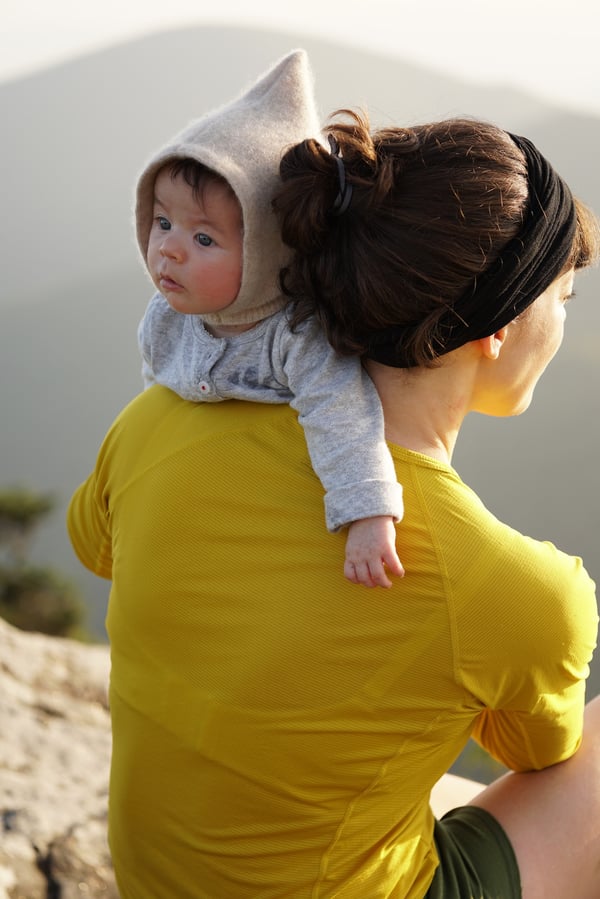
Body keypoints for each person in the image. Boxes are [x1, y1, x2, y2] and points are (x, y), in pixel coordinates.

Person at [67, 71, 600, 899]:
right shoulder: (516, 589)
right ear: (498, 329)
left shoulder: (153, 426)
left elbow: (96, 547)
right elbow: (536, 752)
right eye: (564, 296)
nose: (566, 322)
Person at [135, 50, 404, 589]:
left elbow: (341, 415)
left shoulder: (294, 335)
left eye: (203, 237)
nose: (170, 250)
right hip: (203, 522)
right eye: (163, 221)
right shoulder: (166, 318)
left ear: (267, 251)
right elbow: (155, 402)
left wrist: (367, 514)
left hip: (280, 533)